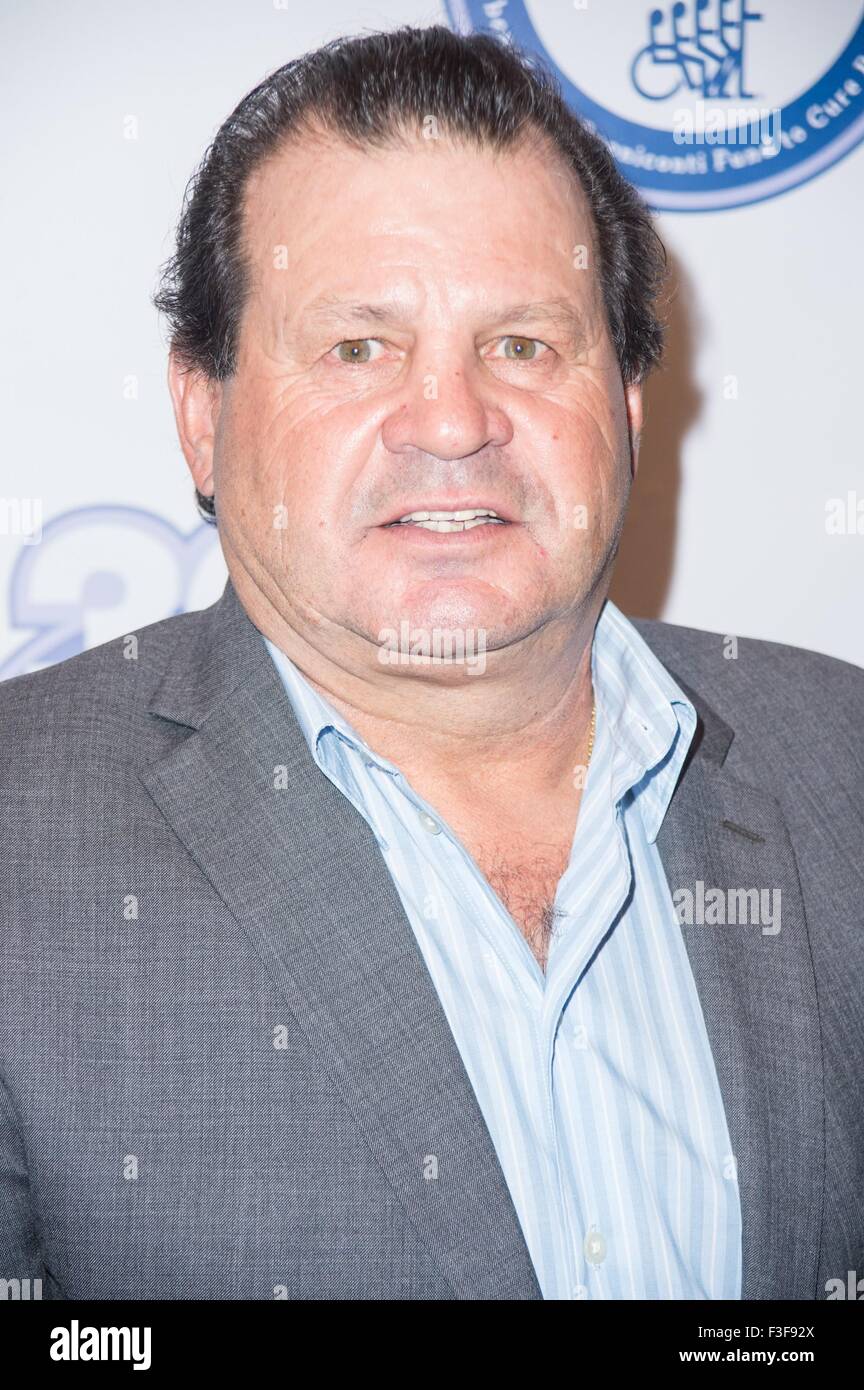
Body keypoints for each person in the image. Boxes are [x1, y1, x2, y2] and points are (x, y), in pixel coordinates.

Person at [1, 24, 861, 1302]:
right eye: (359, 347)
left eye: (524, 343)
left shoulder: (843, 758)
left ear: (625, 410)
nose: (454, 420)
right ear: (203, 414)